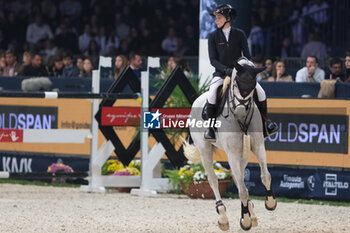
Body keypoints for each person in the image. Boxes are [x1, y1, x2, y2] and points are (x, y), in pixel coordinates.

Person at [205, 4, 278, 141]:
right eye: (216, 18)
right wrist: (225, 69)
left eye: (219, 18)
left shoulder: (240, 34)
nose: (216, 20)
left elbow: (248, 56)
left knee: (261, 92)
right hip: (222, 73)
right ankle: (211, 129)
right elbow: (213, 60)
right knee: (212, 92)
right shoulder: (213, 36)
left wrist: (246, 69)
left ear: (228, 18)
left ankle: (265, 125)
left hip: (240, 74)